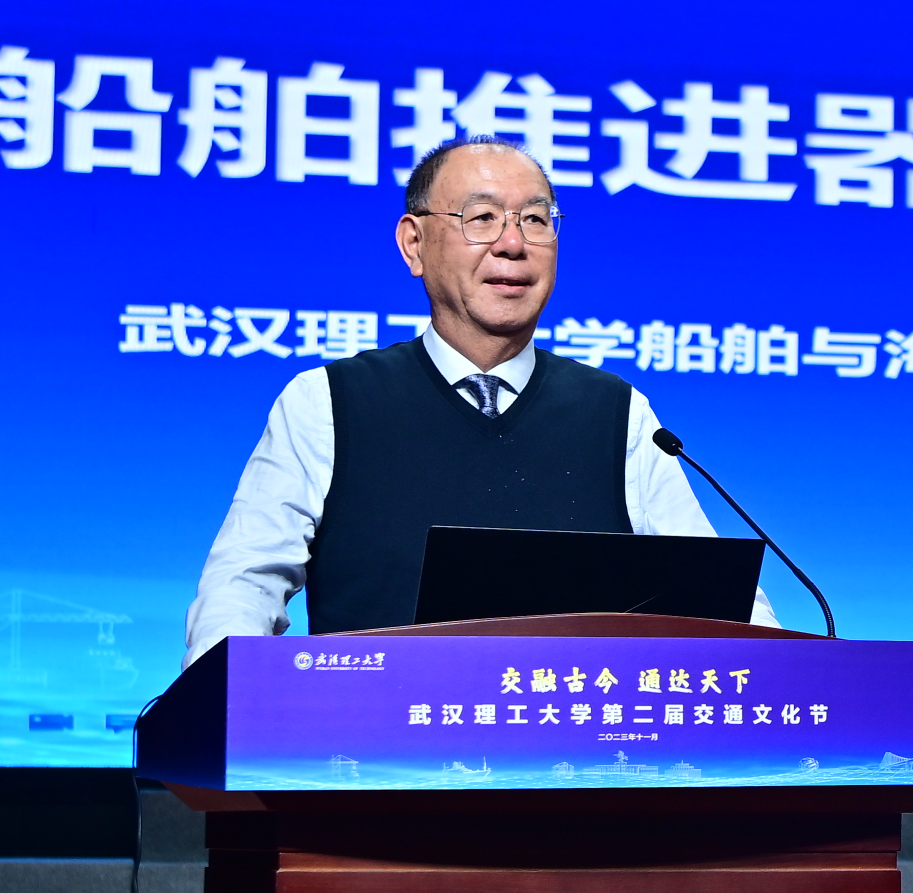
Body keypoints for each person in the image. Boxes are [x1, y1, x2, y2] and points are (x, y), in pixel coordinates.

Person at [184, 134, 771, 662]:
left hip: (571, 739)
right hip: (374, 742)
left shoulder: (619, 414)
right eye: (482, 218)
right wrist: (228, 706)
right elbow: (243, 586)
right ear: (414, 245)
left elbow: (721, 604)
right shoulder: (329, 403)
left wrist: (785, 677)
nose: (513, 244)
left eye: (536, 220)